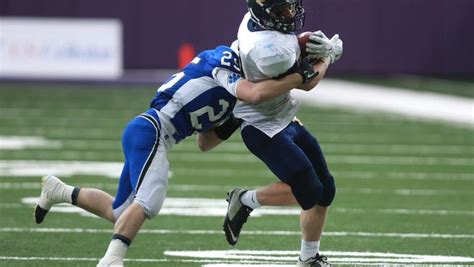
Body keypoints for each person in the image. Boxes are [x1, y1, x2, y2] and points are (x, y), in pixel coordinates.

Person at [33, 44, 323, 266]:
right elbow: (254, 91)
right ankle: (111, 260)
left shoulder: (234, 96)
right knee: (150, 200)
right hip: (153, 130)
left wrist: (235, 119)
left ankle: (59, 191)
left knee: (120, 212)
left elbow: (204, 143)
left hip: (152, 134)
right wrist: (296, 77)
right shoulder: (223, 61)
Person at [222, 0, 343, 266]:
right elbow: (308, 81)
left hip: (284, 116)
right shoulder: (269, 52)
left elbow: (291, 46)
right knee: (309, 191)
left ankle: (308, 258)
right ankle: (244, 200)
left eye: (290, 6)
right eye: (281, 10)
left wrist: (306, 42)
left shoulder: (257, 25)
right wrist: (327, 56)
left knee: (326, 190)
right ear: (264, 13)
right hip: (260, 125)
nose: (289, 13)